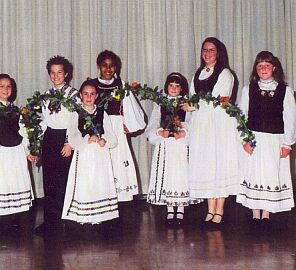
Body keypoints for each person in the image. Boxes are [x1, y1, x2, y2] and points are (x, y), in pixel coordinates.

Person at [182, 37, 240, 228]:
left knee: (218, 164)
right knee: (207, 166)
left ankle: (219, 210)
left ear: (218, 53)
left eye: (211, 50)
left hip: (218, 125)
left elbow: (220, 101)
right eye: (204, 50)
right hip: (202, 126)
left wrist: (194, 106)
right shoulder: (198, 73)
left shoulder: (225, 74)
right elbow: (192, 97)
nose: (207, 53)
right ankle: (210, 209)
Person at [236, 51, 295, 229]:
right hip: (254, 139)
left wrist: (287, 143)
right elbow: (241, 116)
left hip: (275, 140)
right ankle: (255, 214)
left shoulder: (285, 91)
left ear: (274, 68)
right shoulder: (248, 90)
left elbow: (290, 118)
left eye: (267, 65)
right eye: (260, 65)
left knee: (270, 175)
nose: (263, 69)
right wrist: (244, 139)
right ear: (256, 69)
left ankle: (266, 215)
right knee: (255, 173)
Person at [87, 50, 146, 202]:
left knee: (118, 161)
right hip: (98, 127)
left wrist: (130, 126)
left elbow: (132, 107)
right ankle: (101, 196)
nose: (108, 69)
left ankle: (118, 198)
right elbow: (84, 108)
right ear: (98, 66)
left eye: (112, 66)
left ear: (116, 68)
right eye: (104, 66)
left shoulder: (121, 85)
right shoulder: (91, 84)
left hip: (117, 128)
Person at [62, 80, 119, 225]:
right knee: (85, 182)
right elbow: (72, 134)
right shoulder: (76, 113)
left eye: (92, 94)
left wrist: (104, 140)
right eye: (86, 94)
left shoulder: (102, 112)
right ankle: (84, 216)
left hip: (100, 155)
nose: (88, 97)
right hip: (85, 153)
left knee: (99, 181)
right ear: (81, 95)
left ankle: (99, 216)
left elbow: (111, 134)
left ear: (97, 96)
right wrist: (86, 139)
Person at [147, 73, 200, 226]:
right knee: (169, 175)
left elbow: (193, 124)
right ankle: (170, 209)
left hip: (181, 146)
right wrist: (159, 132)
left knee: (180, 174)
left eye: (177, 86)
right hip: (166, 146)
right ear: (166, 87)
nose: (174, 89)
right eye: (171, 85)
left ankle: (181, 209)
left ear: (182, 88)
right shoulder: (161, 103)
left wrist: (185, 132)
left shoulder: (187, 104)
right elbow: (153, 124)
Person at [36, 56, 79, 235]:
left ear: (66, 74)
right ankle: (50, 222)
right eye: (52, 73)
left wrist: (69, 142)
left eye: (59, 72)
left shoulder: (73, 95)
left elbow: (75, 119)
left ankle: (65, 222)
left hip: (65, 138)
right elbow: (45, 120)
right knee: (50, 182)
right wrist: (37, 141)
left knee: (64, 182)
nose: (56, 76)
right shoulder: (46, 95)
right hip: (50, 138)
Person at [0, 74, 35, 229]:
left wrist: (28, 151)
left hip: (16, 153)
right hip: (1, 152)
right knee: (2, 185)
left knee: (17, 185)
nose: (5, 89)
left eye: (8, 86)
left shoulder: (16, 109)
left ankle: (18, 221)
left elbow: (23, 132)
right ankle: (2, 224)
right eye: (2, 86)